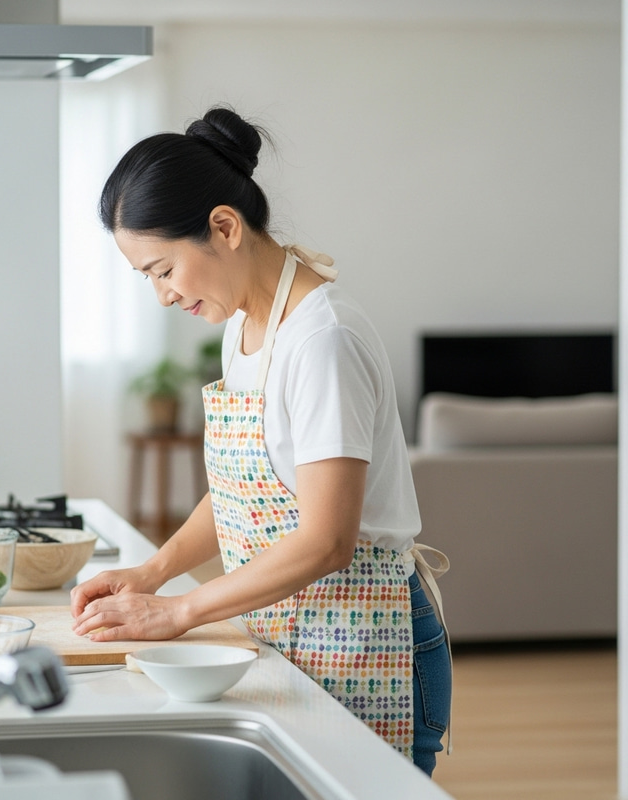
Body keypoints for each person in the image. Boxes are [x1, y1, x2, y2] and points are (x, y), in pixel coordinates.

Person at [70, 106, 452, 776]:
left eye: (162, 269)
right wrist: (152, 572)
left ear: (224, 226)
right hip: (294, 633)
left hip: (367, 640)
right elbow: (245, 494)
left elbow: (326, 540)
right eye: (147, 278)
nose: (160, 295)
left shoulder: (322, 340)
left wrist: (180, 610)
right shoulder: (243, 327)